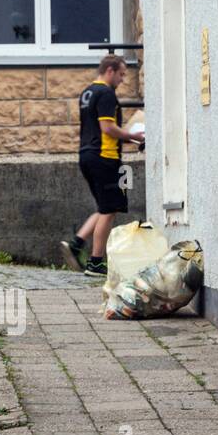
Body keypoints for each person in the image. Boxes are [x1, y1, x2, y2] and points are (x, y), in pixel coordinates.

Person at [62, 54, 144, 277]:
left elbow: (102, 130)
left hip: (87, 155)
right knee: (110, 209)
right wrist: (135, 136)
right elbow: (108, 128)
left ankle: (77, 243)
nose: (122, 80)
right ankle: (96, 262)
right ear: (110, 70)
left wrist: (129, 138)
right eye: (121, 74)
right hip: (104, 157)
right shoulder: (106, 93)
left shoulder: (87, 93)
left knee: (105, 206)